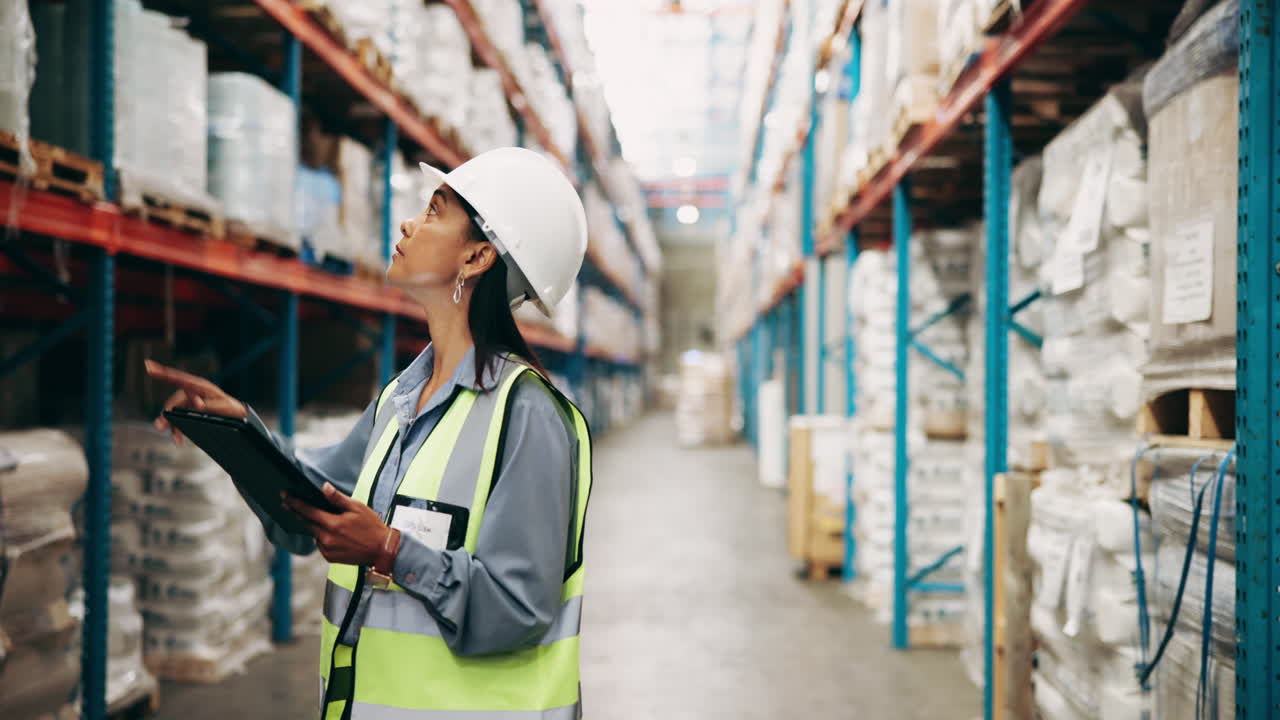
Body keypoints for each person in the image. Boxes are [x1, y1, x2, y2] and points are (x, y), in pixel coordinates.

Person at [146, 147, 594, 720]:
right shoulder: (401, 398)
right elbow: (313, 504)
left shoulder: (527, 415)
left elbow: (518, 608)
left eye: (434, 212)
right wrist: (238, 435)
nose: (409, 223)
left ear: (478, 256)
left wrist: (389, 549)